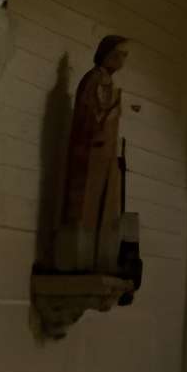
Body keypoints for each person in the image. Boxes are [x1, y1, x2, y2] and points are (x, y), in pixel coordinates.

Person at [54, 36, 129, 272]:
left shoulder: (107, 82)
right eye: (118, 54)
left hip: (105, 155)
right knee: (85, 202)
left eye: (125, 56)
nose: (122, 60)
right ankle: (79, 255)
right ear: (105, 53)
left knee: (105, 204)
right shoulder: (93, 79)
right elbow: (91, 115)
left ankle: (98, 255)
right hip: (91, 152)